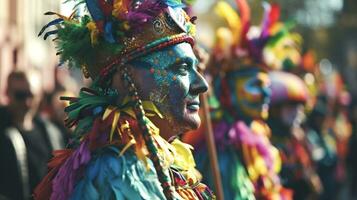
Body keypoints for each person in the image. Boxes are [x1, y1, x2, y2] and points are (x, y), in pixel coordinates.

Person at [34, 0, 214, 199]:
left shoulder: (168, 161)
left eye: (195, 68)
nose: (201, 84)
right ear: (127, 77)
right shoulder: (116, 172)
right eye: (181, 68)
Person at [184, 1, 293, 199]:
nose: (266, 94)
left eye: (266, 86)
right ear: (227, 90)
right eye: (254, 86)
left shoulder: (257, 136)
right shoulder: (221, 149)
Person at [0, 71, 65, 200]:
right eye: (20, 95)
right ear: (7, 93)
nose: (27, 102)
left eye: (31, 95)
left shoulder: (51, 131)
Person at [267, 71, 323, 200]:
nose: (297, 114)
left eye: (299, 108)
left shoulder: (299, 140)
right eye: (291, 107)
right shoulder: (263, 143)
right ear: (274, 110)